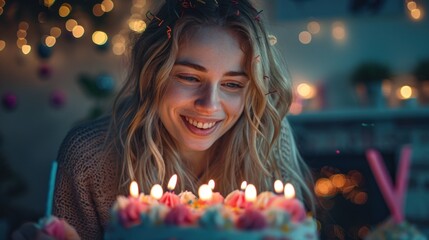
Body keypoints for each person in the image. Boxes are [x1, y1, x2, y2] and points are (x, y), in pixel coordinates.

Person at [14, 0, 315, 239]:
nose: (209, 105)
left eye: (233, 84)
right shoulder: (90, 156)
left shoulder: (266, 136)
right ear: (152, 73)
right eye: (188, 77)